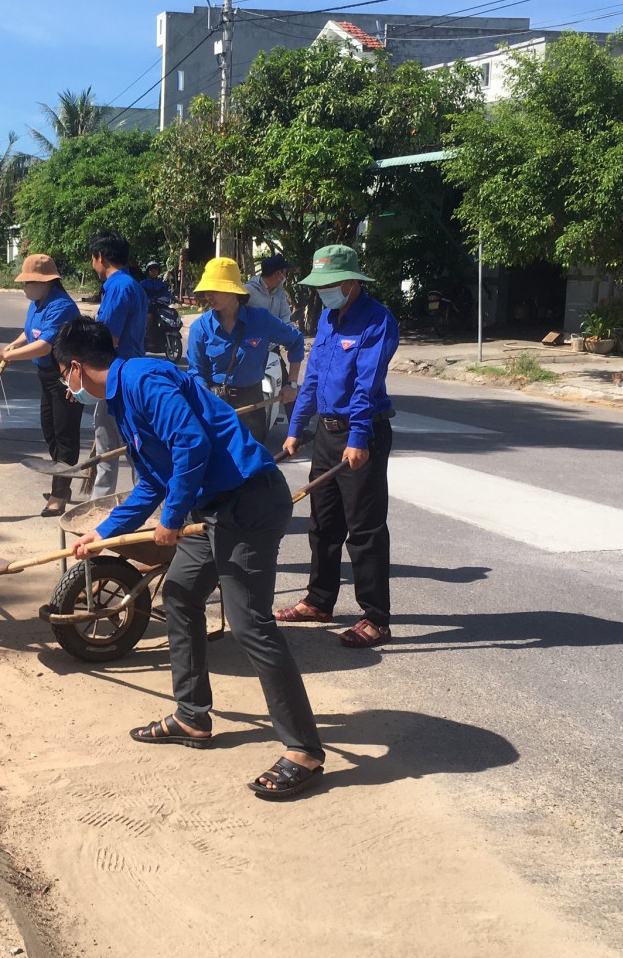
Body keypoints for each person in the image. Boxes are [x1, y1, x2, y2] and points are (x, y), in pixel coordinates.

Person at [56, 317, 326, 799]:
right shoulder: (122, 397)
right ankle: (192, 716)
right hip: (213, 504)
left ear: (76, 367)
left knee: (249, 623)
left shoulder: (141, 378)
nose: (66, 384)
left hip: (249, 499)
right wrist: (101, 532)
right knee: (179, 595)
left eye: (63, 373)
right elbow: (154, 481)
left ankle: (303, 749)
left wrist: (173, 516)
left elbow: (190, 443)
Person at [277, 244, 399, 648]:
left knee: (364, 529)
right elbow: (312, 378)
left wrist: (359, 436)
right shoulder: (329, 319)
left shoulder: (377, 321)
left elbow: (366, 384)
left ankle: (376, 618)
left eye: (329, 284)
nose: (323, 291)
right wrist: (297, 427)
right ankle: (319, 600)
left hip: (360, 435)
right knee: (323, 523)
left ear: (350, 282)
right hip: (328, 435)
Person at [0, 254, 82, 517]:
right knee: (49, 432)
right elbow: (32, 332)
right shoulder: (38, 303)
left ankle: (58, 495)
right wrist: (13, 344)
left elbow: (44, 344)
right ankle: (62, 483)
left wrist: (6, 356)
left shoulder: (61, 306)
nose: (24, 287)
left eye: (28, 282)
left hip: (64, 378)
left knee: (65, 437)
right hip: (45, 377)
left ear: (45, 282)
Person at [185, 257, 304, 444]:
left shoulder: (260, 320)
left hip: (253, 404)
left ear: (233, 290)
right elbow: (196, 372)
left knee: (252, 469)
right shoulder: (200, 328)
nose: (208, 295)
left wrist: (293, 384)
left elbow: (296, 340)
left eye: (214, 290)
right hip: (215, 406)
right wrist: (207, 398)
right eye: (207, 290)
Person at [88, 230, 147, 500]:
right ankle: (145, 502)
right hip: (131, 372)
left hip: (116, 377)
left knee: (108, 447)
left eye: (92, 258)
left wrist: (85, 377)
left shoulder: (117, 287)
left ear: (100, 257)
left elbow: (107, 339)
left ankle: (98, 509)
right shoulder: (133, 285)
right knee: (137, 445)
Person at [244, 253, 294, 325]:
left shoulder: (279, 291)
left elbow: (286, 317)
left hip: (275, 335)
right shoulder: (248, 291)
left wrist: (292, 333)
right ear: (278, 273)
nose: (285, 276)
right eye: (285, 272)